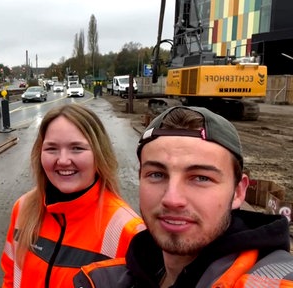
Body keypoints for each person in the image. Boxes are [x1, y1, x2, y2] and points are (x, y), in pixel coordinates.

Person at [73, 106, 293, 287]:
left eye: (201, 178)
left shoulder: (272, 279)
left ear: (238, 192)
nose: (172, 199)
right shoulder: (108, 278)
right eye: (157, 174)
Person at [1, 103, 145, 287]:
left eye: (77, 148)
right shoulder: (22, 208)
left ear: (99, 154)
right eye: (51, 148)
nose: (63, 160)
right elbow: (11, 275)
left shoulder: (129, 232)